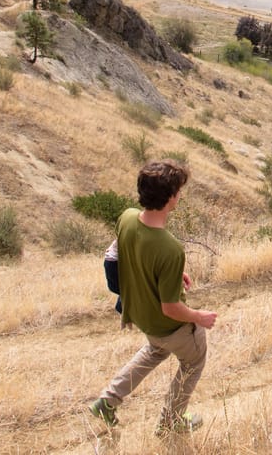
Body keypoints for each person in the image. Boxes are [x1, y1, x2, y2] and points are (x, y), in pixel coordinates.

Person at [89, 160, 218, 433]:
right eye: (179, 191)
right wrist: (199, 317)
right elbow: (171, 308)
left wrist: (173, 273)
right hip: (169, 325)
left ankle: (107, 401)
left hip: (142, 318)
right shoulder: (170, 249)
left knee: (154, 351)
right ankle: (171, 421)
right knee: (193, 361)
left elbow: (131, 255)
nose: (180, 196)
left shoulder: (126, 218)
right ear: (171, 197)